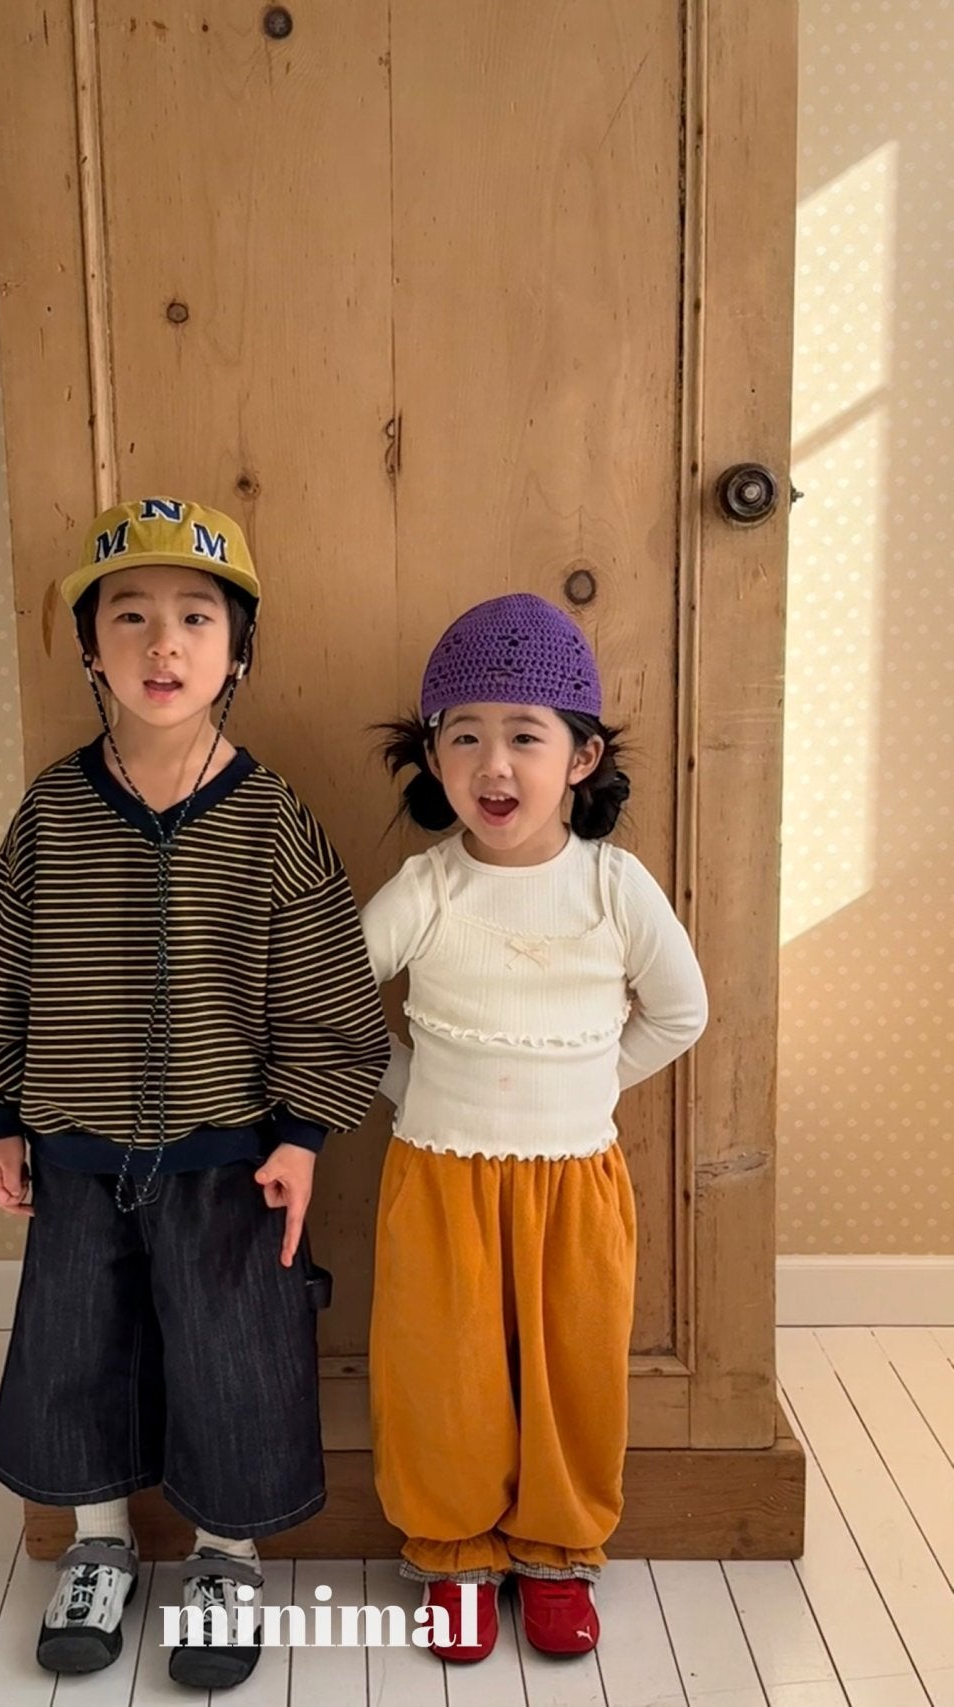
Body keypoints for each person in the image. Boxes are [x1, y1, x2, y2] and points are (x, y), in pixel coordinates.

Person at [0, 497, 388, 1689]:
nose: (162, 644)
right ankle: (97, 1547)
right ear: (89, 647)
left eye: (195, 617)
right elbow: (2, 963)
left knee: (234, 1361)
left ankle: (224, 1558)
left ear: (237, 649)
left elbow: (324, 992)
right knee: (75, 1352)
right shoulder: (51, 811)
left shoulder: (272, 820)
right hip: (73, 1152)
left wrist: (302, 1133)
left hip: (228, 1159)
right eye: (128, 616)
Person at [360, 592, 708, 1661]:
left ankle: (558, 1547)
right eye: (463, 737)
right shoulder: (428, 887)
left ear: (581, 756)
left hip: (575, 1181)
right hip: (438, 1177)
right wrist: (413, 1086)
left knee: (573, 1368)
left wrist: (591, 1082)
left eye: (524, 736)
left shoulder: (612, 887)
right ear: (432, 757)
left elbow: (681, 1013)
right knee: (443, 1370)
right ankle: (455, 1551)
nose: (493, 765)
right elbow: (332, 1009)